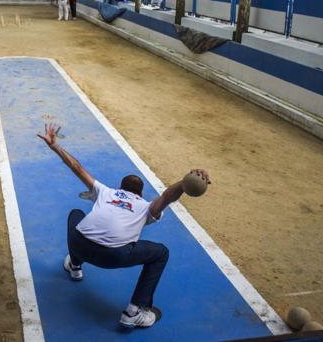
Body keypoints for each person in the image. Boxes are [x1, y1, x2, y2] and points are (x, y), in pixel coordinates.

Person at [37, 123, 211, 329]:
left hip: (79, 245)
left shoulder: (105, 191)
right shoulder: (146, 206)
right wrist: (183, 184)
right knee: (160, 253)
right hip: (113, 256)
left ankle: (75, 266)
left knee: (76, 214)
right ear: (140, 194)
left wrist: (55, 146)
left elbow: (76, 167)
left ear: (120, 188)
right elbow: (166, 196)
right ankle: (134, 312)